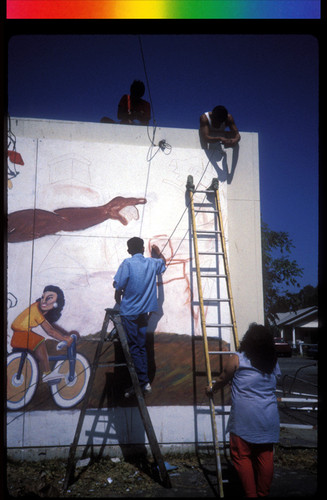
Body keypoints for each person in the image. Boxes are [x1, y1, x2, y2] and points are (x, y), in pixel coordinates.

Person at [206, 323, 281, 498]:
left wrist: (212, 389)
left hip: (245, 417)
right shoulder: (273, 362)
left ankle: (251, 494)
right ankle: (263, 493)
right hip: (268, 416)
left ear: (247, 340)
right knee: (265, 456)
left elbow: (223, 378)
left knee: (241, 456)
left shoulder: (238, 358)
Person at [113, 237, 166, 396]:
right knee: (141, 346)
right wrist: (158, 253)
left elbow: (118, 284)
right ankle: (143, 383)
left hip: (129, 312)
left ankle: (142, 382)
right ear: (143, 249)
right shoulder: (152, 263)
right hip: (144, 312)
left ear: (129, 251)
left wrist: (118, 294)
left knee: (134, 347)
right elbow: (163, 263)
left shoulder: (127, 264)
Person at [8, 196, 146, 243]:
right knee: (56, 223)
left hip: (48, 222)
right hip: (48, 222)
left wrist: (106, 211)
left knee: (55, 222)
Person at [10, 285, 76, 382]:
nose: (43, 301)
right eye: (43, 297)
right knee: (39, 341)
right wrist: (65, 339)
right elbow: (50, 331)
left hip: (21, 333)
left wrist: (64, 335)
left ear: (57, 303)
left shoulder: (41, 311)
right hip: (20, 334)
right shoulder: (36, 310)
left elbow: (52, 327)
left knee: (37, 342)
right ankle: (46, 374)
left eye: (49, 298)